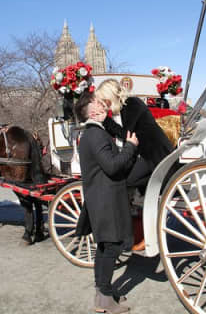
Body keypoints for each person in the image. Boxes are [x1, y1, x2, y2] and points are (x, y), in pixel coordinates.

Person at [74, 91, 138, 314]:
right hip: (106, 200)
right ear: (92, 111)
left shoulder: (91, 134)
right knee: (111, 247)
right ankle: (104, 298)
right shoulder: (96, 135)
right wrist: (130, 146)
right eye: (100, 104)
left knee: (105, 247)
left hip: (101, 198)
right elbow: (112, 166)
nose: (104, 107)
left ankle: (104, 293)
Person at [95, 79, 175, 250]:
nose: (104, 104)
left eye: (104, 100)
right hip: (149, 154)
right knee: (128, 179)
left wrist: (105, 122)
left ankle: (132, 227)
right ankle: (141, 217)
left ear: (111, 95)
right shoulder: (126, 107)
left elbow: (129, 137)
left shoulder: (132, 105)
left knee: (124, 182)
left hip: (154, 156)